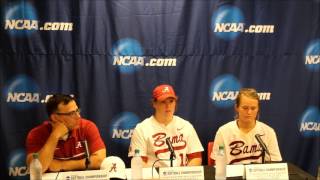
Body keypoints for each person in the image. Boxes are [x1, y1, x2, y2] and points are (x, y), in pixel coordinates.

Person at [25, 94, 106, 172]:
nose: (78, 116)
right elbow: (36, 169)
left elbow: (100, 160)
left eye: (77, 110)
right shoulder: (36, 134)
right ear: (55, 117)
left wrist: (61, 165)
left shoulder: (87, 126)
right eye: (71, 113)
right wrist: (55, 136)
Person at [128, 84, 204, 167]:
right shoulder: (141, 129)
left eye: (171, 101)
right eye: (163, 102)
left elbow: (196, 157)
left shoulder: (186, 126)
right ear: (154, 103)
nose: (168, 106)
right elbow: (139, 162)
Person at [210, 88, 282, 165]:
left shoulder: (268, 132)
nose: (249, 112)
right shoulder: (223, 132)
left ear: (258, 109)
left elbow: (274, 162)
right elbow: (219, 161)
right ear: (236, 108)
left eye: (253, 108)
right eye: (245, 108)